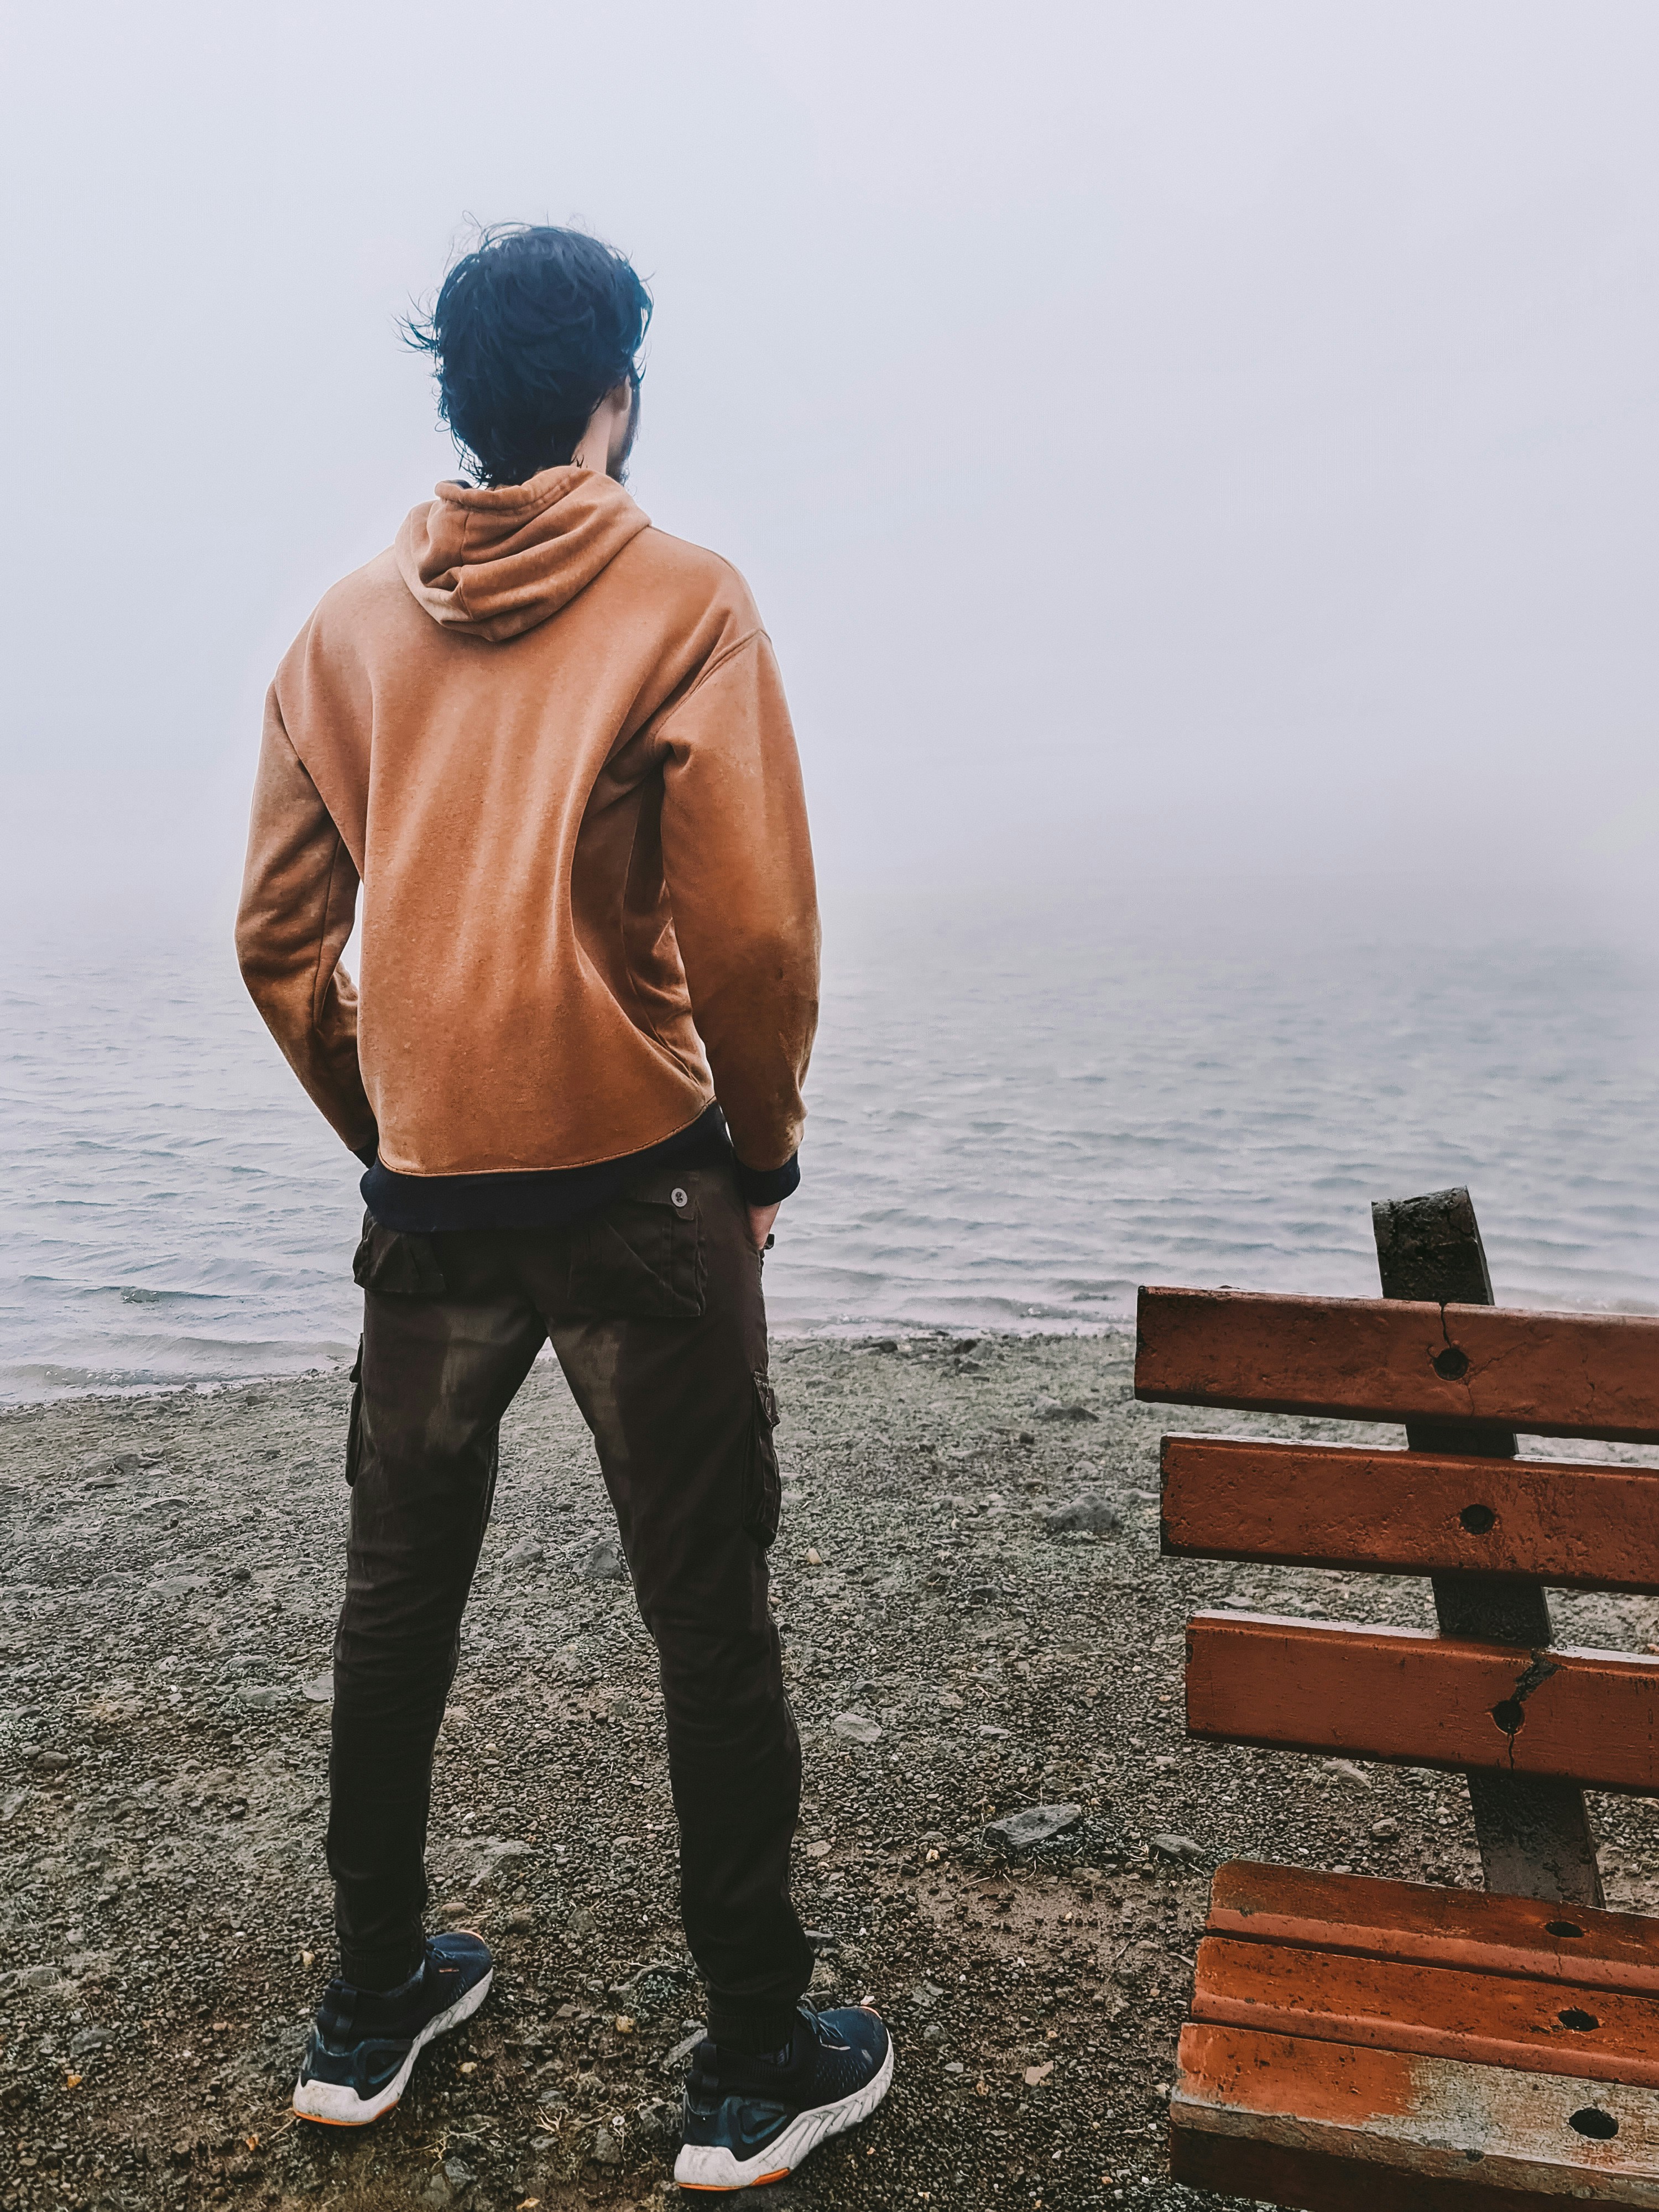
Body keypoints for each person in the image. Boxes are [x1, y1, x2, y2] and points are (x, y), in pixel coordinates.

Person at [234, 223, 893, 2188]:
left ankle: (368, 2009)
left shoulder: (346, 629)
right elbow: (753, 932)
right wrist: (757, 1156)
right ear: (620, 390)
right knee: (707, 1610)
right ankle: (758, 2051)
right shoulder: (686, 596)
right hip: (640, 1201)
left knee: (395, 1592)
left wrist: (401, 1112)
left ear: (462, 398)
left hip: (431, 1202)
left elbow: (279, 941)